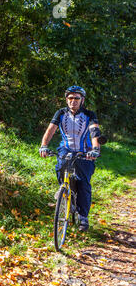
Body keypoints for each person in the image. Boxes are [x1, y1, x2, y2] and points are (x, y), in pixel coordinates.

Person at [39, 86, 102, 232]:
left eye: (76, 98)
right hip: (66, 149)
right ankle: (66, 195)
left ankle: (83, 216)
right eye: (70, 98)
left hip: (85, 151)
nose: (73, 101)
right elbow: (50, 130)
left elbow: (94, 132)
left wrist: (95, 149)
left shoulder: (89, 114)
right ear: (66, 99)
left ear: (82, 100)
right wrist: (43, 146)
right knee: (60, 168)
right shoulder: (61, 113)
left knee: (83, 183)